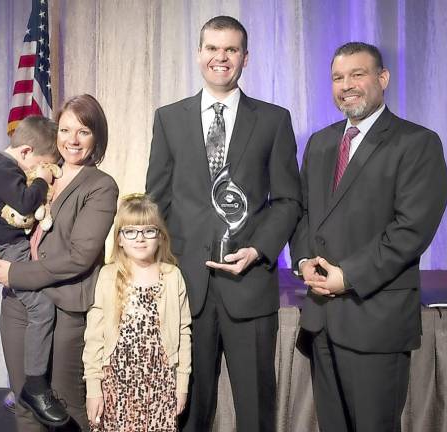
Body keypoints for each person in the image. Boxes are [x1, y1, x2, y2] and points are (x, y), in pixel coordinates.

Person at [146, 15, 302, 432]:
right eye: (213, 48)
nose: (221, 57)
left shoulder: (273, 120)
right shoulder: (169, 118)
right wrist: (152, 273)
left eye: (231, 49)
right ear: (199, 55)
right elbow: (155, 202)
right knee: (187, 409)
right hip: (185, 289)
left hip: (249, 286)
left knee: (255, 409)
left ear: (245, 58)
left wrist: (259, 249)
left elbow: (288, 200)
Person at [290, 42, 447, 432]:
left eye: (357, 74)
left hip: (375, 319)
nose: (347, 85)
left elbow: (410, 229)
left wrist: (349, 276)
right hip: (322, 320)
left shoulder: (417, 143)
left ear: (383, 79)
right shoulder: (321, 142)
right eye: (338, 77)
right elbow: (305, 213)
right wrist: (304, 260)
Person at [0, 94, 119, 431]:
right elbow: (0, 221)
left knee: (67, 408)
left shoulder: (100, 186)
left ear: (97, 136)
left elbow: (79, 257)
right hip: (18, 305)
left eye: (83, 132)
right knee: (25, 405)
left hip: (65, 307)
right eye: (65, 130)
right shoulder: (37, 173)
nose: (72, 140)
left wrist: (15, 272)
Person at [0, 115, 69, 426]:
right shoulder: (3, 169)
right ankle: (35, 384)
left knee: (40, 309)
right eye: (41, 164)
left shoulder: (1, 168)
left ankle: (32, 384)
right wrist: (41, 179)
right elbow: (27, 203)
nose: (42, 172)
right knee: (41, 308)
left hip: (7, 244)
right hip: (8, 249)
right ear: (27, 153)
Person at [83, 194, 191, 431]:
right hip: (116, 384)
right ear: (119, 239)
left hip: (160, 384)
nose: (140, 239)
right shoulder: (109, 276)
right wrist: (93, 388)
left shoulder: (172, 276)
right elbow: (94, 337)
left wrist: (181, 385)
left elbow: (183, 333)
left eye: (148, 231)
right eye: (130, 231)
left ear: (160, 236)